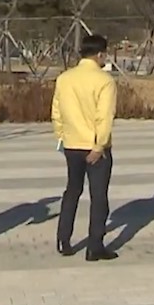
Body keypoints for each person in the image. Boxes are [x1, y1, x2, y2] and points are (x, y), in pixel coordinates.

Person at [52, 34, 118, 261]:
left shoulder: (64, 78)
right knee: (98, 196)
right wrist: (99, 146)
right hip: (94, 147)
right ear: (100, 54)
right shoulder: (104, 80)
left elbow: (57, 112)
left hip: (71, 144)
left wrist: (61, 135)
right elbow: (104, 117)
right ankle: (94, 245)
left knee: (72, 191)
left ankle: (63, 239)